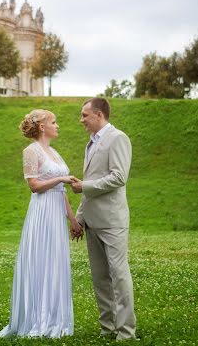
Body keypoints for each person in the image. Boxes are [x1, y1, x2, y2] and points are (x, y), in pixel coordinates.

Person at [0, 109, 82, 338]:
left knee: (55, 263)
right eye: (54, 122)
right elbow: (34, 186)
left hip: (56, 212)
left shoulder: (54, 152)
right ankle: (37, 320)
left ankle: (55, 319)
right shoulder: (31, 151)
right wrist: (61, 178)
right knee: (41, 262)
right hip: (42, 212)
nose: (58, 126)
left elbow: (61, 191)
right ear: (42, 126)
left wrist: (72, 219)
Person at [70, 97, 136, 341]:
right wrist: (79, 217)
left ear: (99, 114)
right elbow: (90, 185)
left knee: (119, 276)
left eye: (84, 115)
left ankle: (126, 332)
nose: (81, 120)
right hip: (92, 222)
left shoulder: (118, 138)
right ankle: (107, 328)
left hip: (112, 221)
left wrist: (84, 186)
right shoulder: (90, 144)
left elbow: (119, 177)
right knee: (100, 278)